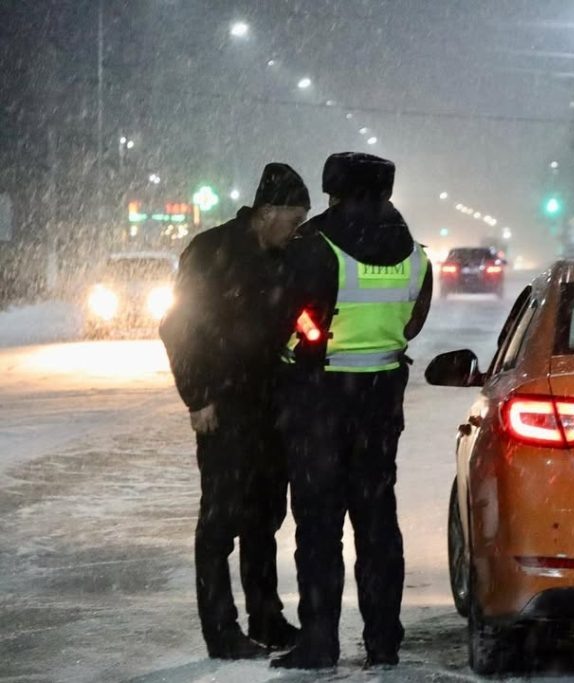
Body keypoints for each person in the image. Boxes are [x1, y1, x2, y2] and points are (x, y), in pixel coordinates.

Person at [271, 152, 432, 670]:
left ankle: (319, 644)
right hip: (381, 399)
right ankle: (383, 642)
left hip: (320, 398)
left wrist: (303, 348)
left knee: (319, 526)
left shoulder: (314, 244)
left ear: (334, 190)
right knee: (377, 522)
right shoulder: (415, 253)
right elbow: (412, 323)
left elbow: (294, 318)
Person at [159, 163, 310, 659]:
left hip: (271, 407)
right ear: (267, 212)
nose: (297, 229)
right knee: (220, 522)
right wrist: (198, 396)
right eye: (293, 218)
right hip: (224, 406)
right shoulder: (211, 252)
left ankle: (266, 617)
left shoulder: (285, 258)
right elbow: (177, 328)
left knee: (264, 517)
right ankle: (221, 630)